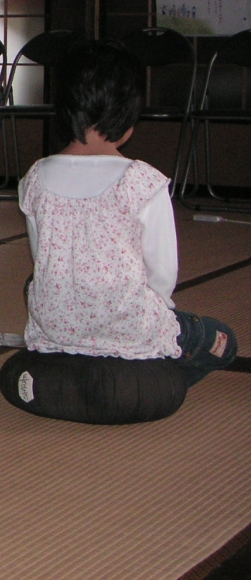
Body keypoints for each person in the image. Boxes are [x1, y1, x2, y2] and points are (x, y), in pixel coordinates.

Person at [19, 40, 237, 385]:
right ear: (129, 116)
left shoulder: (35, 176)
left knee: (36, 284)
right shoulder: (143, 181)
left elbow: (41, 258)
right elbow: (162, 274)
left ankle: (73, 368)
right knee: (220, 340)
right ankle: (149, 378)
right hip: (131, 327)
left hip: (57, 327)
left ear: (61, 108)